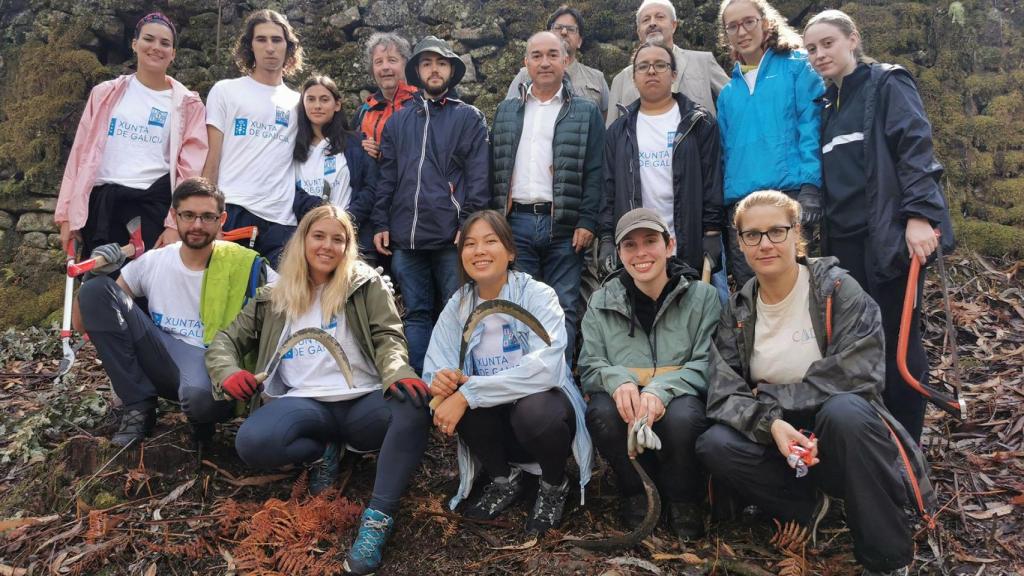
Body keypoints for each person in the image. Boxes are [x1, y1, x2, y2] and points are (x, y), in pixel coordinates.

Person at [695, 191, 936, 576]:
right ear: (740, 244)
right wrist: (770, 423)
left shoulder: (837, 291)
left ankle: (887, 558)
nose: (765, 244)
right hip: (779, 439)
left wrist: (772, 398)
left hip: (838, 437)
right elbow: (723, 392)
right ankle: (810, 509)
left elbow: (857, 372)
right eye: (752, 235)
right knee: (715, 444)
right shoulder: (738, 310)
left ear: (796, 234)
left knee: (846, 412)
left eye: (776, 231)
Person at [205, 205, 429, 576]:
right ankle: (321, 452)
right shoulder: (274, 293)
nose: (327, 246)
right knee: (253, 442)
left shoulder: (364, 283)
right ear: (303, 240)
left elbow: (388, 337)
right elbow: (226, 340)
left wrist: (398, 372)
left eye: (337, 239)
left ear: (348, 246)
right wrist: (227, 371)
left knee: (414, 405)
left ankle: (376, 520)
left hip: (362, 401)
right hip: (305, 404)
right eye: (318, 236)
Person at [803, 9, 955, 442]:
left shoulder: (887, 82)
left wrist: (921, 216)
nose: (819, 54)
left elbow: (915, 147)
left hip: (891, 238)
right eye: (811, 49)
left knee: (898, 343)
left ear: (853, 39)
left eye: (827, 43)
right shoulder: (827, 105)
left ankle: (908, 449)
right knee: (859, 345)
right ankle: (876, 442)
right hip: (845, 244)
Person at [423, 210, 593, 535]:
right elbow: (435, 366)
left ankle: (554, 484)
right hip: (497, 428)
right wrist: (440, 381)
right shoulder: (459, 305)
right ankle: (503, 478)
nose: (479, 251)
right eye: (470, 244)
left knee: (534, 409)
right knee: (459, 402)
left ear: (511, 252)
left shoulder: (538, 296)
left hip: (542, 424)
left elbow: (547, 370)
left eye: (490, 241)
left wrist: (469, 392)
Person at [77, 177, 270, 448]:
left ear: (222, 219)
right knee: (96, 290)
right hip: (160, 354)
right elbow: (85, 321)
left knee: (201, 402)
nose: (197, 225)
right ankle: (137, 406)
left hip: (213, 364)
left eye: (207, 217)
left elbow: (289, 299)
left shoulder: (244, 263)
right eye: (188, 215)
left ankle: (202, 424)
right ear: (173, 215)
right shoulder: (155, 261)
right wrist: (92, 276)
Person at [581, 208, 719, 541]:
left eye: (650, 241)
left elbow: (708, 363)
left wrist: (661, 389)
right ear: (619, 254)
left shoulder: (702, 296)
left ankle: (684, 499)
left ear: (669, 245)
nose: (641, 253)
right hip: (627, 407)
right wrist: (618, 381)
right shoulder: (600, 302)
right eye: (630, 245)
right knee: (601, 412)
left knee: (684, 416)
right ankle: (635, 492)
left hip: (677, 404)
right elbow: (588, 365)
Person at [372, 36, 490, 374]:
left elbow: (478, 178)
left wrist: (467, 225)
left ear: (451, 71)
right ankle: (421, 388)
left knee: (459, 312)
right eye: (426, 63)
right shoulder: (398, 122)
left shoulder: (469, 117)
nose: (434, 69)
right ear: (417, 71)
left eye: (440, 63)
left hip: (451, 236)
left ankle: (457, 385)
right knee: (418, 314)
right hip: (406, 238)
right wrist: (381, 222)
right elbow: (387, 177)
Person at [55, 12, 207, 259]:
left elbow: (189, 172)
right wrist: (66, 216)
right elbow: (79, 157)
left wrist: (174, 224)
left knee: (142, 292)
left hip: (151, 211)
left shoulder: (188, 105)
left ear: (173, 53)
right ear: (135, 44)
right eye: (149, 39)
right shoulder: (104, 94)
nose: (156, 47)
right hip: (103, 207)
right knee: (97, 289)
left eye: (165, 43)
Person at [491, 31, 605, 358]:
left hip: (565, 226)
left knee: (563, 305)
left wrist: (587, 221)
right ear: (525, 63)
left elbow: (596, 171)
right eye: (537, 55)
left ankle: (559, 381)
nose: (544, 62)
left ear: (566, 61)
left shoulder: (585, 112)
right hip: (517, 223)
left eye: (552, 55)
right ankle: (524, 380)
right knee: (519, 306)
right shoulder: (506, 111)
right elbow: (495, 169)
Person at [716, 0, 824, 289]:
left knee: (797, 288)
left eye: (749, 21)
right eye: (733, 26)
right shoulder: (728, 93)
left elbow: (811, 127)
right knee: (751, 292)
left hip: (787, 196)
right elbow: (725, 154)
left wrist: (811, 187)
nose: (742, 31)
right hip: (740, 206)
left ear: (766, 23)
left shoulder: (798, 68)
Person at [600, 41, 724, 282]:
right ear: (633, 78)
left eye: (660, 65)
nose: (652, 71)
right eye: (643, 66)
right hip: (638, 246)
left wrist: (712, 232)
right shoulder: (618, 130)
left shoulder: (699, 122)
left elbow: (712, 181)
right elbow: (608, 188)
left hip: (687, 240)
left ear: (674, 74)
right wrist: (606, 238)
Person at [203, 9, 304, 266]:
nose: (270, 47)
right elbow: (212, 157)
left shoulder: (300, 103)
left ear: (288, 46)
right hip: (234, 208)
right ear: (250, 46)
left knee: (278, 301)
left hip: (282, 219)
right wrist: (207, 214)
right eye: (261, 39)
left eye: (277, 40)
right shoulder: (225, 91)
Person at [292, 75, 377, 261]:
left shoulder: (356, 143)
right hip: (308, 242)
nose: (317, 106)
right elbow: (290, 192)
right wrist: (322, 214)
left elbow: (370, 188)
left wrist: (346, 221)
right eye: (311, 99)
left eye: (324, 99)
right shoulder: (292, 148)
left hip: (353, 238)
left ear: (337, 104)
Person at [606, 0, 730, 126]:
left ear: (674, 25)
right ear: (638, 32)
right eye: (646, 20)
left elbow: (736, 102)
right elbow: (611, 132)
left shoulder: (703, 62)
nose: (652, 23)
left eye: (660, 17)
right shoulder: (621, 80)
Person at [504, 6, 610, 117]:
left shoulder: (597, 79)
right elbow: (508, 118)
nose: (564, 32)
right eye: (558, 28)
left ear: (579, 41)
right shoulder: (524, 76)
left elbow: (606, 124)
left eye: (571, 29)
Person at [353, 33, 417, 161]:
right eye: (378, 62)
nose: (385, 67)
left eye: (392, 60)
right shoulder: (364, 111)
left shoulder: (422, 104)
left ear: (405, 65)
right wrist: (362, 149)